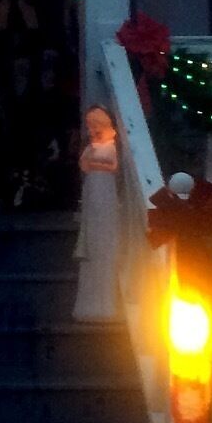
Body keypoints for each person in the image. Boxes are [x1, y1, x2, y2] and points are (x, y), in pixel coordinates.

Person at [73, 105, 120, 319]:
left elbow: (112, 166)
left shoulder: (110, 147)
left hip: (104, 188)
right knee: (93, 231)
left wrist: (96, 163)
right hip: (93, 188)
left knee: (104, 232)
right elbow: (84, 165)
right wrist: (92, 157)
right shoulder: (91, 147)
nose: (93, 130)